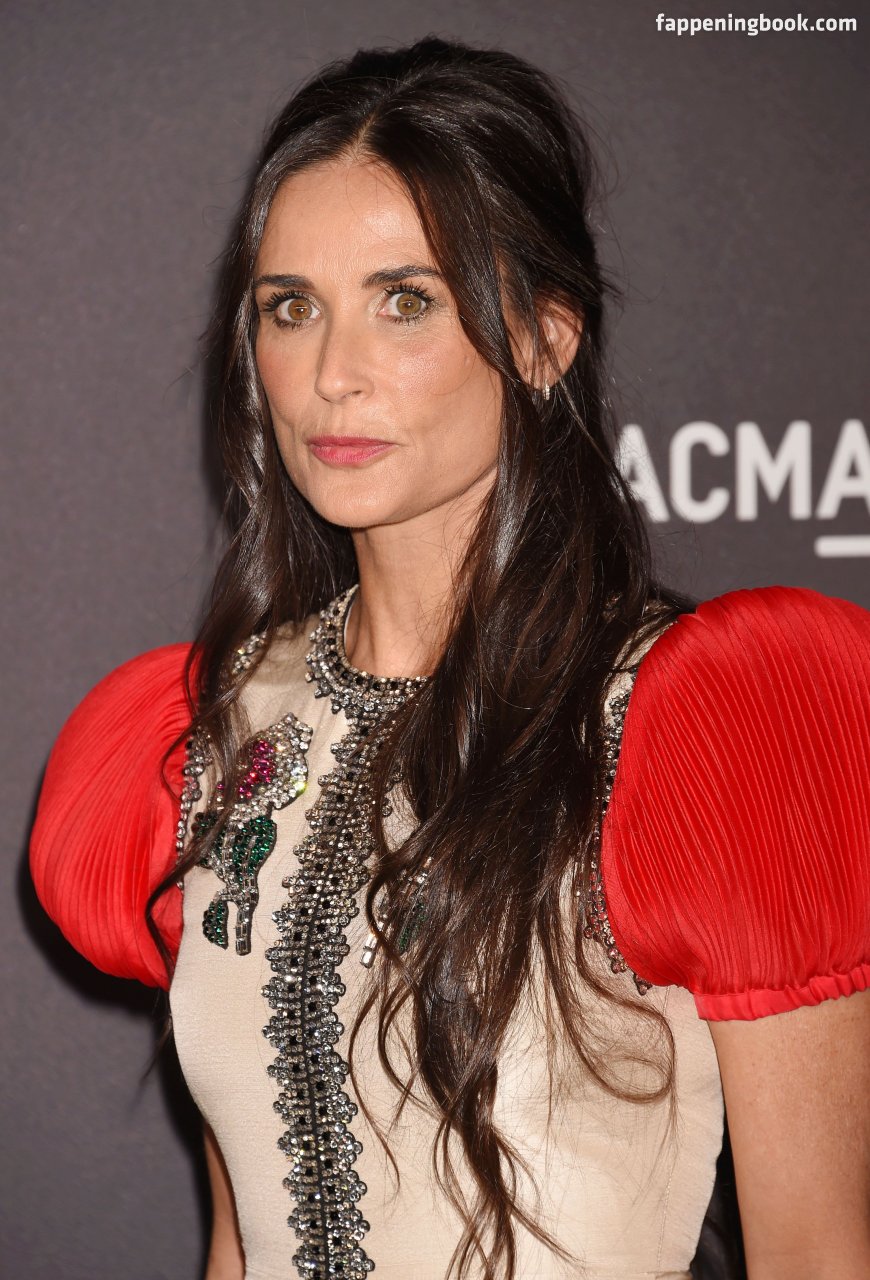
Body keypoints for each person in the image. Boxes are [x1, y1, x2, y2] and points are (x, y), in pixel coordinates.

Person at [29, 35, 869, 1280]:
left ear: (542, 337)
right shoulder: (203, 739)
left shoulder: (694, 723)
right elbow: (237, 1246)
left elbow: (815, 1251)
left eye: (405, 300)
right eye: (291, 306)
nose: (332, 374)